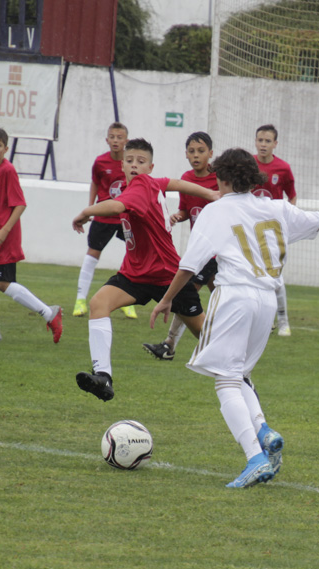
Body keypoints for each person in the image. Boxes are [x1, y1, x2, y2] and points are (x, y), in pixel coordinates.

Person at [149, 148, 319, 488]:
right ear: (253, 178)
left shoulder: (216, 211)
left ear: (221, 178)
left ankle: (254, 457)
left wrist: (167, 299)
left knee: (225, 381)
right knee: (240, 373)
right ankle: (263, 430)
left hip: (234, 296)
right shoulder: (276, 207)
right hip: (267, 300)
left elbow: (189, 265)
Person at [71, 138, 218, 402]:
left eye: (141, 162)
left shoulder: (139, 186)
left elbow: (116, 207)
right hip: (135, 274)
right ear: (122, 165)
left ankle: (238, 374)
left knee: (207, 338)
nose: (134, 166)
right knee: (98, 303)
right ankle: (103, 377)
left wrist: (85, 211)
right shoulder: (150, 183)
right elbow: (173, 183)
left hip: (167, 275)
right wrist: (210, 194)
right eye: (129, 161)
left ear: (150, 167)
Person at [0, 127, 63, 342]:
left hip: (3, 236)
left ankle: (49, 313)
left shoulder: (7, 171)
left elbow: (20, 204)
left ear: (6, 149)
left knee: (2, 283)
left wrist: (4, 230)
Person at [144, 131, 219, 361]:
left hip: (215, 250)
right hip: (200, 249)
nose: (196, 155)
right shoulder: (186, 178)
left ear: (211, 153)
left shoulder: (218, 179)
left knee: (186, 294)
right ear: (186, 154)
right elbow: (189, 210)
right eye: (192, 151)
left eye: (201, 151)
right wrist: (178, 215)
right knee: (222, 295)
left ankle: (169, 344)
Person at [73, 122, 138, 321]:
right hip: (103, 217)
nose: (116, 141)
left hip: (124, 217)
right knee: (92, 255)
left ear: (126, 141)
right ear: (107, 140)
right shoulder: (100, 162)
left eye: (120, 137)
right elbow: (95, 182)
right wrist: (90, 206)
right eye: (112, 137)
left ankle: (127, 303)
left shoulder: (130, 162)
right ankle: (80, 300)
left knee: (134, 254)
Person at [252, 124, 296, 337]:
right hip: (250, 230)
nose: (263, 144)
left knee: (276, 276)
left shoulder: (283, 168)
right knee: (256, 275)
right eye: (260, 140)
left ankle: (283, 321)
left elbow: (292, 196)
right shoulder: (249, 165)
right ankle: (266, 318)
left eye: (268, 141)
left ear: (275, 144)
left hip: (273, 232)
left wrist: (289, 219)